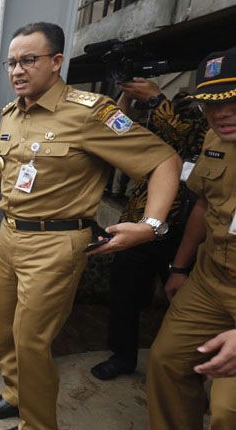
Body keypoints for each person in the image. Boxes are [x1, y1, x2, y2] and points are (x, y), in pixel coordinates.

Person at [0, 22, 181, 429]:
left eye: (28, 60)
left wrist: (151, 225)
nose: (17, 70)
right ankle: (16, 396)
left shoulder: (88, 113)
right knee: (9, 334)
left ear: (56, 62)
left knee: (32, 342)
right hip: (11, 236)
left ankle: (37, 425)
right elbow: (6, 167)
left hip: (57, 244)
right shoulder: (13, 113)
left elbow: (163, 160)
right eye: (12, 62)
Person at [90, 79, 208, 381]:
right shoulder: (158, 121)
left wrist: (157, 98)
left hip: (186, 230)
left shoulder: (205, 123)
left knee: (185, 303)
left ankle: (187, 370)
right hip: (140, 223)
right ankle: (122, 356)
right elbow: (117, 129)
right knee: (124, 292)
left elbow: (182, 132)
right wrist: (126, 97)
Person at [146, 46, 236, 430]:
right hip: (211, 280)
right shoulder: (214, 142)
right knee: (166, 362)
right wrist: (179, 268)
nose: (221, 113)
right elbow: (202, 206)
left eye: (233, 99)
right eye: (211, 104)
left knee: (226, 410)